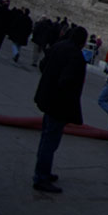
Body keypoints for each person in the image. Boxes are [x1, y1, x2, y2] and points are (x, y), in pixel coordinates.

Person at [32, 25, 88, 192]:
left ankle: (43, 171)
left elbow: (43, 65)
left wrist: (50, 80)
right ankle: (41, 177)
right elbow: (67, 81)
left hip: (47, 99)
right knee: (50, 140)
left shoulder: (58, 46)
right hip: (59, 104)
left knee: (46, 137)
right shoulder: (76, 56)